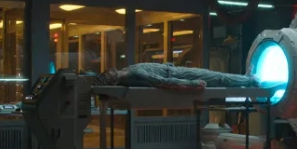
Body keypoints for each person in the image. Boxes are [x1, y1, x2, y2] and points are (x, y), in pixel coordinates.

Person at [94, 62, 261, 90]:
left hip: (173, 70)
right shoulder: (133, 73)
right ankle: (249, 81)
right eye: (107, 74)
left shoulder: (127, 69)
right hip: (177, 74)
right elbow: (162, 82)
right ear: (113, 80)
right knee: (217, 78)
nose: (108, 70)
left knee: (216, 76)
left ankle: (244, 79)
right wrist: (192, 83)